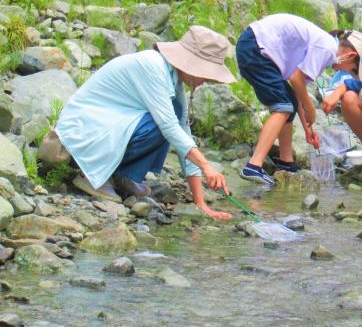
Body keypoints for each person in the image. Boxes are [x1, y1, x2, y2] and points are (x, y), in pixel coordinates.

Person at [54, 26, 234, 218]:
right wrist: (206, 166)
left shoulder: (173, 78)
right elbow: (169, 127)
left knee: (174, 115)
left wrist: (201, 203)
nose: (206, 80)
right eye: (206, 73)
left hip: (106, 127)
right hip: (83, 132)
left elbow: (183, 131)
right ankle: (93, 175)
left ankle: (122, 176)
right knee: (162, 124)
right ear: (192, 63)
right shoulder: (152, 66)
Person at [235, 14, 362, 186]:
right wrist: (311, 108)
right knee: (283, 107)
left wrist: (308, 128)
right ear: (350, 56)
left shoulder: (326, 48)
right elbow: (296, 80)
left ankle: (286, 161)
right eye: (351, 70)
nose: (345, 72)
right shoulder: (328, 48)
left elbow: (296, 91)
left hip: (254, 47)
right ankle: (253, 166)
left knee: (288, 103)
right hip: (255, 47)